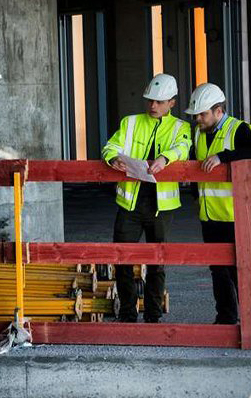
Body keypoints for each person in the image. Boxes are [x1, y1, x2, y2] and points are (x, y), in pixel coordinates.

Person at [101, 73, 192, 323]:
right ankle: (128, 314)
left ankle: (153, 315)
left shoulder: (180, 127)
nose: (153, 105)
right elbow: (110, 146)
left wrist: (165, 158)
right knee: (121, 259)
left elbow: (183, 147)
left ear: (172, 103)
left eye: (160, 102)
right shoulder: (130, 122)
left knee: (157, 264)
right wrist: (113, 158)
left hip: (161, 207)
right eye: (150, 100)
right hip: (130, 204)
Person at [185, 83, 251, 325]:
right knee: (218, 269)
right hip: (209, 215)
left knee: (240, 269)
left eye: (203, 114)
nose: (198, 119)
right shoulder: (199, 131)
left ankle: (250, 320)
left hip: (235, 214)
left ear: (218, 111)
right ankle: (226, 318)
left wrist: (222, 157)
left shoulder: (239, 129)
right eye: (196, 115)